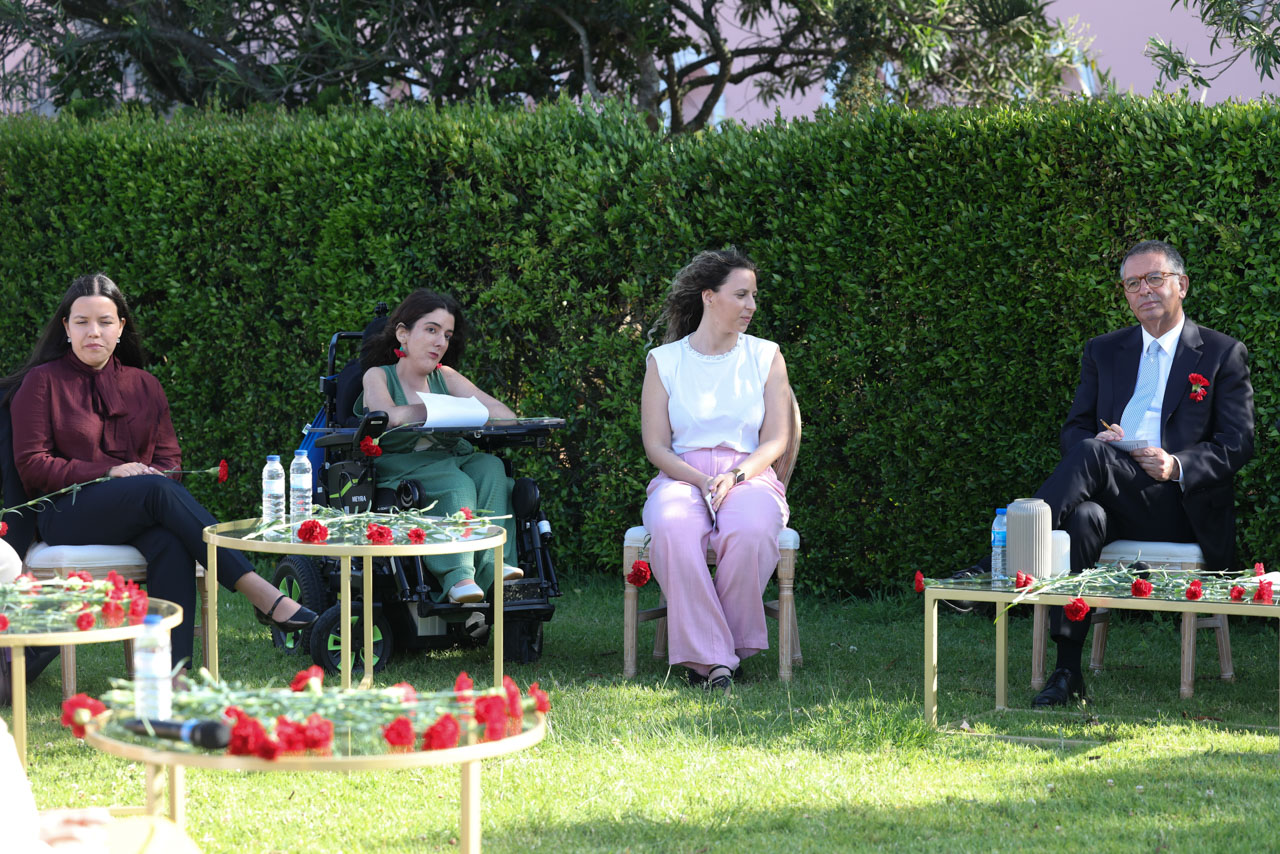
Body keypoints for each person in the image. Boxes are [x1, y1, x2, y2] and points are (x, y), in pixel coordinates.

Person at [961, 240, 1255, 707]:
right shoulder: (1104, 350)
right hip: (1114, 497)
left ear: (1181, 285)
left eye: (1154, 278)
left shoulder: (1221, 353)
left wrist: (1175, 464)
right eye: (1133, 284)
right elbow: (1075, 429)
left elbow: (1238, 443)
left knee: (1091, 457)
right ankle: (1067, 673)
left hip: (1179, 505)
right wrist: (1100, 440)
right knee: (1084, 517)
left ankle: (998, 563)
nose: (1144, 290)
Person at [4, 274, 317, 672]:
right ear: (66, 328)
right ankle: (256, 589)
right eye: (81, 322)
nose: (93, 332)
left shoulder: (145, 385)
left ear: (121, 327)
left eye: (105, 321)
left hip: (138, 509)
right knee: (154, 491)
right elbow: (33, 466)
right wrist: (112, 471)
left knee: (170, 541)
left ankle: (173, 673)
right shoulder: (42, 382)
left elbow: (170, 460)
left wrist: (155, 476)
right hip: (66, 513)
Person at [640, 249, 792, 694]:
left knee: (751, 530)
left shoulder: (766, 356)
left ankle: (710, 655)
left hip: (750, 475)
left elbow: (776, 439)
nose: (751, 305)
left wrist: (736, 476)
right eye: (741, 295)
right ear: (709, 296)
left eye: (754, 296)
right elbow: (656, 446)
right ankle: (719, 659)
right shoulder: (664, 361)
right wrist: (702, 480)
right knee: (672, 526)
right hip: (681, 477)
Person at [355, 289, 522, 604]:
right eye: (431, 330)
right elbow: (389, 416)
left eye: (446, 335)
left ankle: (494, 565)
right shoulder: (378, 376)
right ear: (403, 334)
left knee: (491, 468)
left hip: (450, 458)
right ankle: (458, 576)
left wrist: (464, 410)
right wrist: (439, 409)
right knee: (456, 483)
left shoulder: (445, 376)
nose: (440, 342)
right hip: (400, 465)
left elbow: (505, 416)